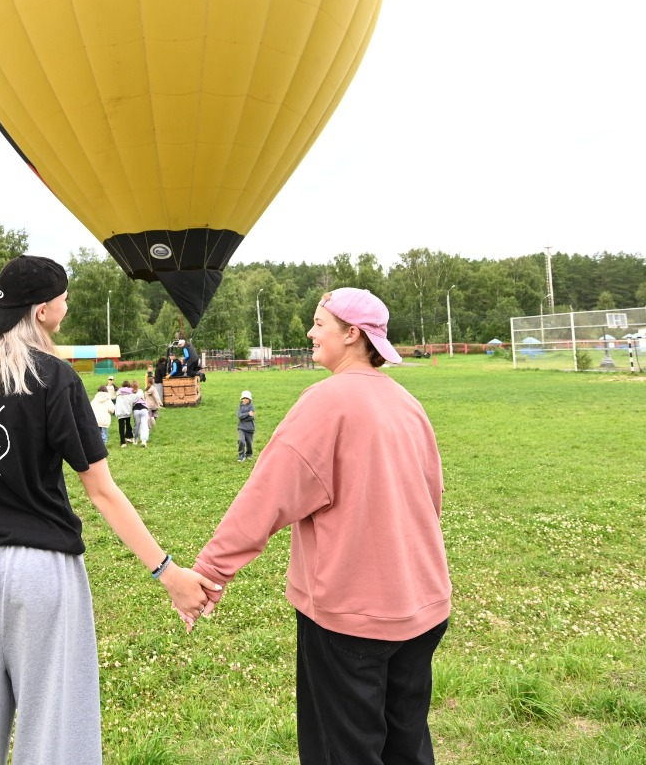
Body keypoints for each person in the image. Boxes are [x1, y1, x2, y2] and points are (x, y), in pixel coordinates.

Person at [0, 254, 220, 765]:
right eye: (64, 298)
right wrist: (168, 573)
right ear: (40, 311)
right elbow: (102, 492)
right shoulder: (55, 377)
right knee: (56, 740)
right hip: (43, 573)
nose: (67, 306)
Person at [192, 288, 452, 765]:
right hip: (423, 609)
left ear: (352, 334)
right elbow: (431, 500)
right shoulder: (407, 403)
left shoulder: (325, 401)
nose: (310, 333)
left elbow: (267, 497)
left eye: (318, 323)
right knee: (407, 748)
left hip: (350, 620)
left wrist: (210, 570)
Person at [113, 378, 137, 446]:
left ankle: (123, 442)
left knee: (121, 427)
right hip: (127, 411)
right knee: (128, 424)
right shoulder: (131, 393)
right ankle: (129, 437)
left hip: (120, 412)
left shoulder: (119, 392)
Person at [236, 391, 256, 463]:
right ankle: (241, 455)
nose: (245, 400)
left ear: (249, 399)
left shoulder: (252, 407)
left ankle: (249, 454)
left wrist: (244, 416)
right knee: (241, 441)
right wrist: (247, 414)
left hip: (250, 428)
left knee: (249, 443)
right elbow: (239, 416)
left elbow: (251, 417)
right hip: (241, 428)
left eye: (247, 398)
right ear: (242, 399)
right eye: (244, 398)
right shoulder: (240, 407)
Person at [131, 380, 150, 446]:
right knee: (144, 425)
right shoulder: (140, 391)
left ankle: (135, 439)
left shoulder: (130, 394)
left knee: (136, 425)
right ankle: (144, 440)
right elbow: (143, 398)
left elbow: (132, 401)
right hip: (144, 408)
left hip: (136, 409)